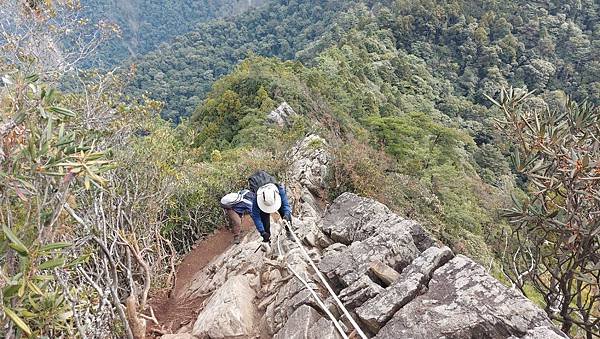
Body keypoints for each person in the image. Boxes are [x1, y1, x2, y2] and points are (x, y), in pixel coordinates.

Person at [248, 170, 292, 243]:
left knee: (284, 213)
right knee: (264, 220)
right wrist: (262, 232)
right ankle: (267, 239)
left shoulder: (279, 190)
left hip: (275, 198)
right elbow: (256, 217)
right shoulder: (257, 199)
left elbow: (286, 206)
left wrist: (287, 214)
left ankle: (289, 231)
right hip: (263, 201)